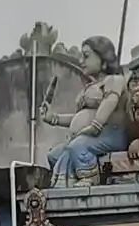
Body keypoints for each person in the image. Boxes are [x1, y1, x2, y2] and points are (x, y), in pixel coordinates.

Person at [46, 36, 128, 186]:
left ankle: (89, 177)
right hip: (87, 136)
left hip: (110, 134)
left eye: (86, 56)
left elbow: (110, 102)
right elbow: (80, 117)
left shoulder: (114, 80)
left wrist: (95, 126)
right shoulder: (90, 86)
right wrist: (53, 118)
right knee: (54, 154)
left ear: (103, 58)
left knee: (78, 146)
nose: (81, 60)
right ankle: (64, 181)